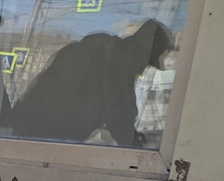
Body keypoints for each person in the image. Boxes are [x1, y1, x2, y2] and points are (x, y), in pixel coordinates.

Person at [9, 19, 171, 147]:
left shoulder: (119, 72)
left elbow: (122, 119)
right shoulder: (84, 58)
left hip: (59, 144)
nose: (142, 70)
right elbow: (118, 118)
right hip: (32, 139)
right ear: (135, 50)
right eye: (144, 62)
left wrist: (137, 147)